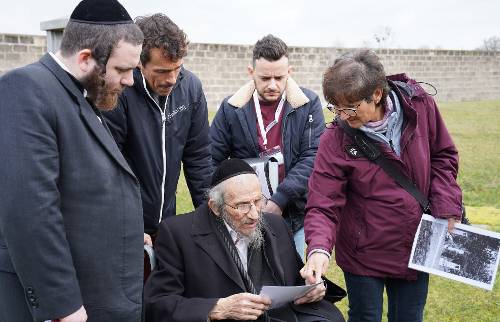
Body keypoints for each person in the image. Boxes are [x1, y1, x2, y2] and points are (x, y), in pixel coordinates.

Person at [0, 0, 145, 321]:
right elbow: (30, 207)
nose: (130, 81)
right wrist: (62, 306)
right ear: (84, 59)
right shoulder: (26, 90)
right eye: (122, 70)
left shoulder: (78, 95)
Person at [301, 49, 463, 322]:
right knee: (365, 316)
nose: (341, 115)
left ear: (376, 94)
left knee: (409, 317)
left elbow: (443, 156)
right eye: (335, 107)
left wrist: (446, 204)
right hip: (362, 250)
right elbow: (322, 202)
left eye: (350, 107)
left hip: (414, 244)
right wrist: (318, 248)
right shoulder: (335, 139)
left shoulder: (421, 105)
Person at [144, 158, 345, 322]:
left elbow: (294, 279)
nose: (255, 214)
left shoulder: (276, 224)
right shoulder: (178, 234)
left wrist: (315, 288)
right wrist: (217, 309)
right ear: (215, 207)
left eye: (258, 201)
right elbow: (158, 304)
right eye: (242, 205)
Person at [210, 35, 324, 261]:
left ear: (289, 71)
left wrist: (279, 200)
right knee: (247, 277)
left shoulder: (308, 104)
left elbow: (312, 157)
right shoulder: (231, 108)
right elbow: (213, 158)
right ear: (251, 72)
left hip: (292, 213)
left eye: (279, 77)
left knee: (290, 276)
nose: (272, 85)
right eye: (264, 78)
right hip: (243, 214)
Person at [103, 13, 212, 237]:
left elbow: (199, 159)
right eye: (161, 71)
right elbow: (109, 168)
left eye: (177, 68)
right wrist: (129, 225)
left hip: (166, 225)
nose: (171, 79)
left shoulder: (191, 88)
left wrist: (210, 219)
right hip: (125, 226)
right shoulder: (119, 91)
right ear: (139, 63)